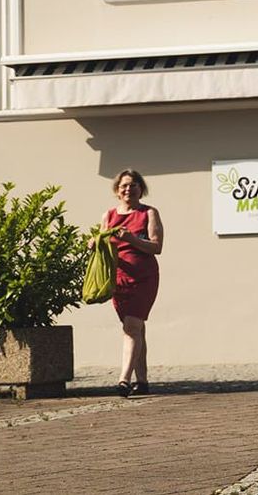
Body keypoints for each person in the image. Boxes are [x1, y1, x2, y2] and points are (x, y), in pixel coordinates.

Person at [97, 169, 164, 397]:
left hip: (144, 277)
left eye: (133, 185)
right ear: (117, 190)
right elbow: (102, 242)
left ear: (140, 189)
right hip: (119, 279)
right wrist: (93, 243)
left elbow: (157, 247)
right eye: (124, 185)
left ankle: (124, 380)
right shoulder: (108, 216)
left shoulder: (149, 213)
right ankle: (142, 381)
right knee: (136, 329)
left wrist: (132, 240)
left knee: (131, 327)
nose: (129, 189)